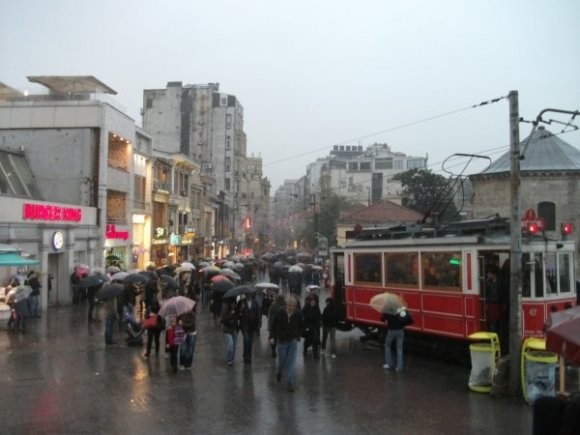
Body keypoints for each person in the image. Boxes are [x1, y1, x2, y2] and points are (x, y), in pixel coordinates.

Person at [269, 295, 304, 392]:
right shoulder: (280, 313)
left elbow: (301, 325)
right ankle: (279, 372)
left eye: (293, 306)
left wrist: (298, 335)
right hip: (282, 341)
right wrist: (272, 337)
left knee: (291, 362)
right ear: (286, 305)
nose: (291, 307)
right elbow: (274, 325)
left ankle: (290, 382)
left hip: (292, 340)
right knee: (282, 362)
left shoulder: (298, 314)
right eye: (289, 305)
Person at [382, 308, 413, 372]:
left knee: (387, 346)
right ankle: (399, 367)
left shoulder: (389, 309)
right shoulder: (401, 309)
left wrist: (386, 319)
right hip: (400, 331)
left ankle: (389, 364)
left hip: (391, 331)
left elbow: (382, 319)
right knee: (399, 349)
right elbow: (409, 320)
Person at [237, 293, 261, 364]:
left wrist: (258, 326)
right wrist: (241, 309)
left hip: (253, 326)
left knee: (250, 342)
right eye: (247, 294)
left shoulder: (255, 303)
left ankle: (248, 356)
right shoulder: (241, 302)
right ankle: (245, 357)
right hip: (244, 325)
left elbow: (258, 315)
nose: (249, 295)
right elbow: (238, 314)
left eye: (250, 294)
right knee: (246, 340)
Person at [221, 298, 239, 365]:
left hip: (234, 329)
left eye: (234, 304)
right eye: (232, 304)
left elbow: (238, 318)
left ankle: (232, 359)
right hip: (227, 330)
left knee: (234, 346)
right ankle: (229, 359)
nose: (233, 305)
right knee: (230, 345)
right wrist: (231, 314)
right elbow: (223, 320)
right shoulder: (225, 310)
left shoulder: (236, 310)